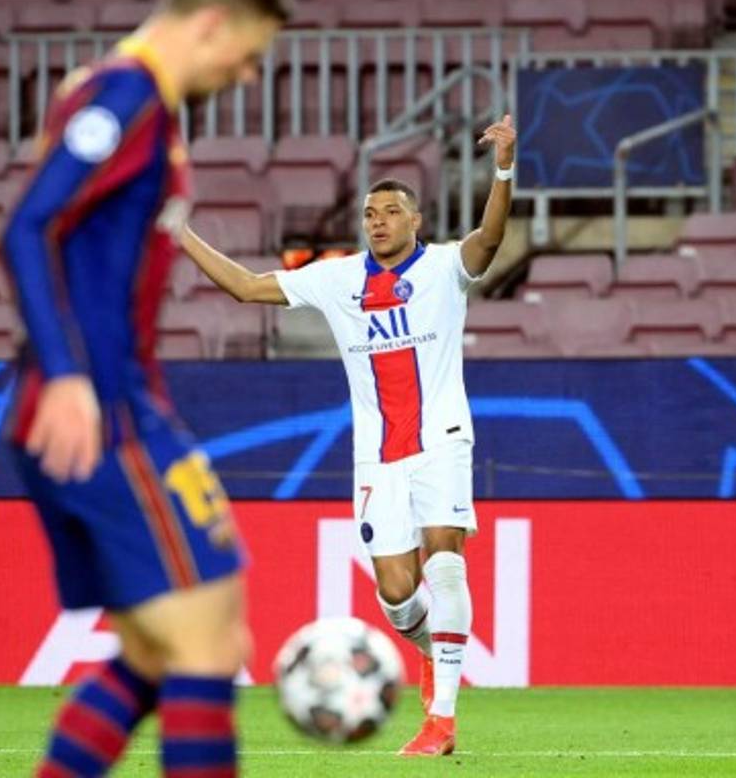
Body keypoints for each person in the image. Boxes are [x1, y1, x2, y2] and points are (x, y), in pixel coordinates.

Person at [1, 0, 291, 776]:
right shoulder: (124, 96)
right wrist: (64, 376)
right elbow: (28, 229)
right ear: (212, 24)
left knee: (175, 650)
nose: (244, 77)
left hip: (121, 402)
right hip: (99, 406)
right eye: (247, 56)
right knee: (207, 634)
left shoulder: (121, 96)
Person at [180, 114, 517, 756]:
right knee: (396, 594)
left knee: (444, 559)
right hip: (376, 456)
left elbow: (491, 238)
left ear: (416, 220)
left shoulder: (445, 268)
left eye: (391, 211)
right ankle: (431, 651)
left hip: (442, 438)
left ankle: (440, 723)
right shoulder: (338, 279)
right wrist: (180, 234)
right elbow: (246, 287)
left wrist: (503, 167)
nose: (378, 221)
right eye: (369, 213)